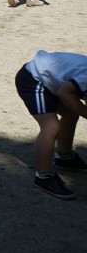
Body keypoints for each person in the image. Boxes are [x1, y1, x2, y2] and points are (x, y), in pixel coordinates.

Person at [14, 51, 87, 199]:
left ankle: (65, 158)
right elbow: (65, 93)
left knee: (71, 114)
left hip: (52, 82)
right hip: (34, 79)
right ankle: (44, 177)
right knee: (51, 127)